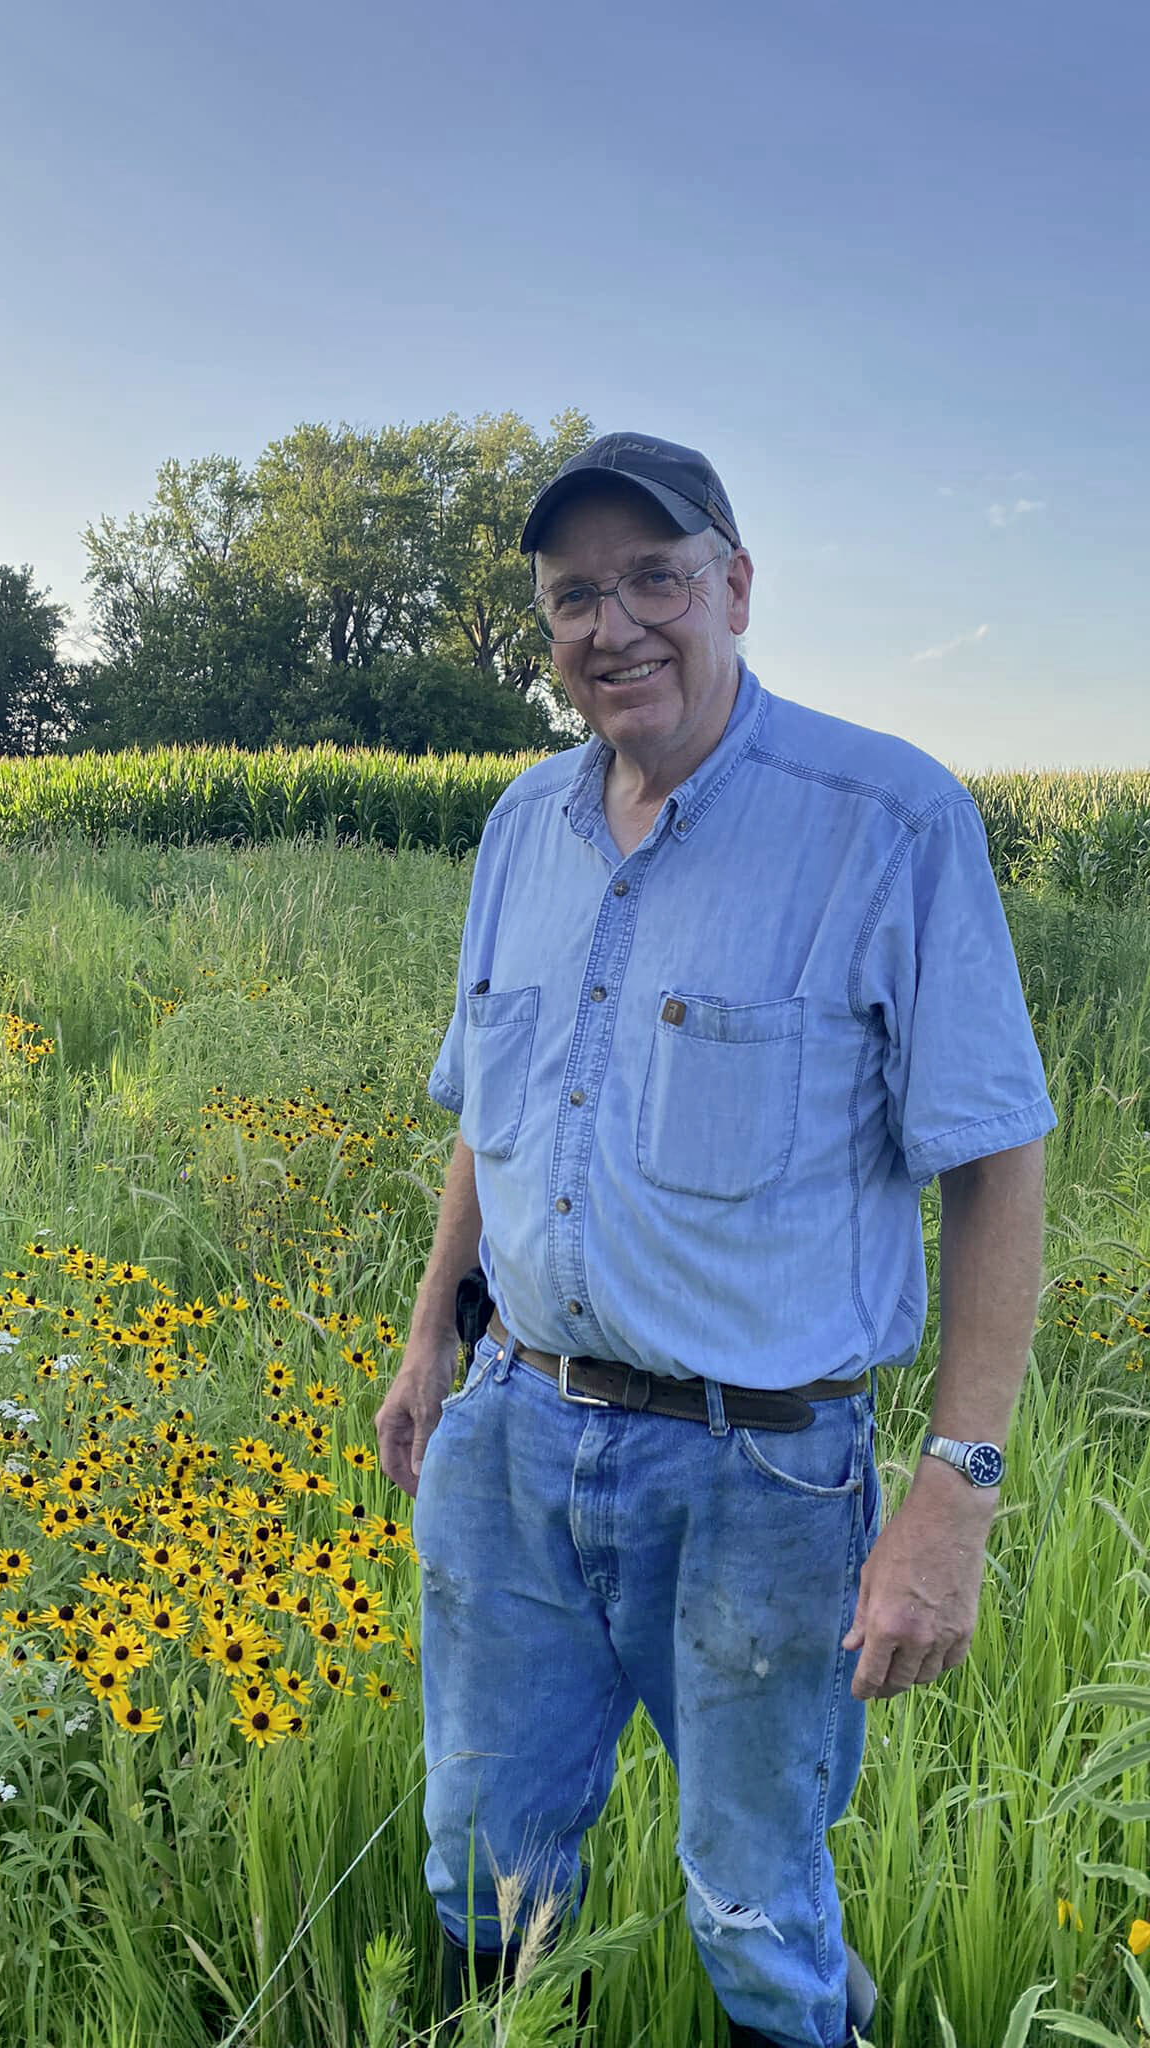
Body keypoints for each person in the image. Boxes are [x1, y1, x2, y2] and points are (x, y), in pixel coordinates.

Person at [372, 432, 1056, 2048]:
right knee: (478, 1852)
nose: (612, 626)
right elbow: (496, 1110)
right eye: (574, 597)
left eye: (654, 581)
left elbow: (997, 1158)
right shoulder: (520, 829)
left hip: (761, 1477)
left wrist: (954, 1493)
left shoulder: (884, 820)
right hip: (513, 1437)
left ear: (735, 587)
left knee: (754, 1892)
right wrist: (428, 1340)